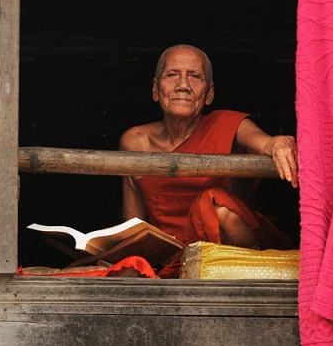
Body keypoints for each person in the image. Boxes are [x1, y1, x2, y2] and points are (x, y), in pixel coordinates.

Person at [119, 45, 298, 264]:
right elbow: (133, 226)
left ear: (210, 94)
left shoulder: (228, 124)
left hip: (233, 254)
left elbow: (266, 142)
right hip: (171, 262)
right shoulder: (135, 141)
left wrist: (281, 142)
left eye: (195, 76)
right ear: (156, 90)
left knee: (214, 202)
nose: (183, 86)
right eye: (172, 75)